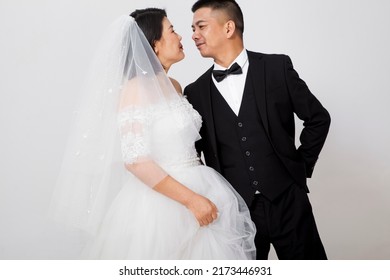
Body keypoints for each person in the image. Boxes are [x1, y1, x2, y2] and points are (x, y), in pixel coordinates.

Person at [49, 8, 256, 260]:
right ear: (154, 44)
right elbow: (136, 160)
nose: (182, 37)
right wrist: (191, 200)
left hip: (203, 184)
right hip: (163, 205)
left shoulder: (175, 86)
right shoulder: (135, 90)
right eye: (172, 30)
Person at [184, 0, 331, 260]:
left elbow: (318, 118)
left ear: (228, 28)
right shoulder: (194, 93)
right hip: (235, 214)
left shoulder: (276, 68)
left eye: (201, 26)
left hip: (289, 203)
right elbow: (192, 156)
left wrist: (299, 168)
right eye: (193, 28)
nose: (194, 35)